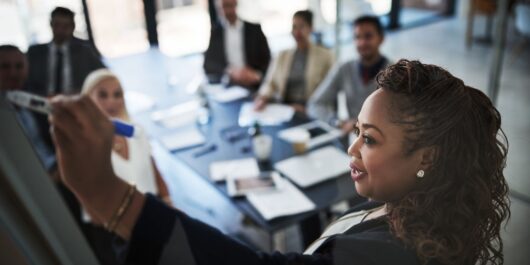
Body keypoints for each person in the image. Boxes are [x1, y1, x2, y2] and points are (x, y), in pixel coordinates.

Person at [49, 59, 510, 265]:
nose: (352, 149)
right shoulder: (425, 214)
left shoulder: (389, 257)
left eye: (369, 139)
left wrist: (110, 195)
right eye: (355, 132)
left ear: (425, 157)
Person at [80, 69, 171, 207]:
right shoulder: (84, 146)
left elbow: (153, 169)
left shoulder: (135, 131)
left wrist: (168, 201)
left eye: (117, 94)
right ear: (87, 100)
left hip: (153, 208)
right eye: (103, 95)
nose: (112, 101)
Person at [308, 15, 391, 133]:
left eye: (368, 36)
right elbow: (315, 104)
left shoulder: (395, 74)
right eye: (357, 37)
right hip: (352, 140)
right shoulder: (344, 68)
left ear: (381, 38)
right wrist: (336, 121)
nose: (362, 43)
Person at [254, 10, 334, 113]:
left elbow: (329, 92)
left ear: (311, 28)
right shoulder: (282, 55)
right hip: (285, 108)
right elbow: (270, 83)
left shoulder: (325, 56)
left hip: (310, 110)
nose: (297, 32)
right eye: (294, 27)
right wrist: (263, 98)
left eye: (301, 26)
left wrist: (308, 109)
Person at [26, 7, 105, 97]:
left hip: (76, 102)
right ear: (51, 25)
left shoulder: (84, 51)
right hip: (41, 103)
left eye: (65, 26)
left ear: (72, 27)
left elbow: (104, 76)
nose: (60, 30)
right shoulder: (35, 53)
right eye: (57, 25)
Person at [0, 45, 56, 172]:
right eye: (4, 67)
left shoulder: (37, 99)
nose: (13, 73)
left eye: (19, 66)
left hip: (56, 167)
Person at [203, 0, 271, 90]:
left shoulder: (255, 30)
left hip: (253, 84)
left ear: (236, 5)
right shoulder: (216, 33)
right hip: (229, 86)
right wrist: (229, 72)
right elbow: (208, 64)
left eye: (229, 6)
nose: (226, 11)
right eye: (222, 8)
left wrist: (257, 75)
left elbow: (268, 60)